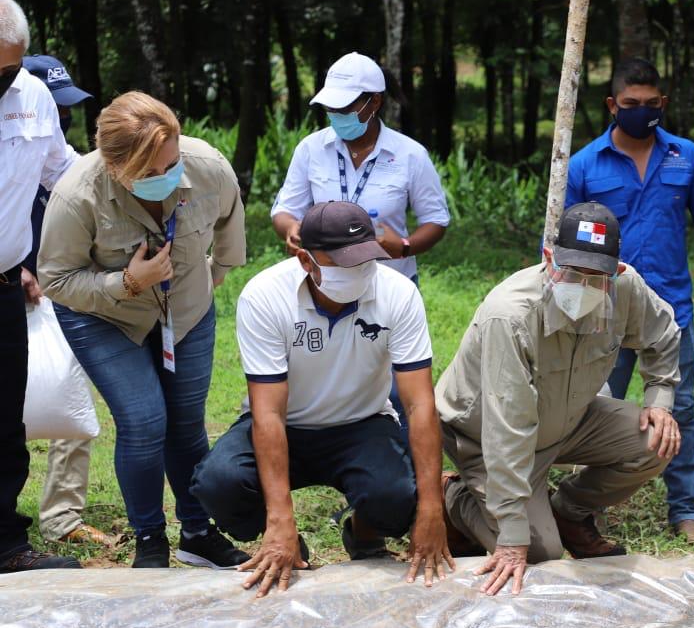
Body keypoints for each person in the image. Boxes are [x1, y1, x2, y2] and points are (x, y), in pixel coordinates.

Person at [190, 201, 451, 597]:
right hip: (285, 424)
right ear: (304, 259)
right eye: (341, 263)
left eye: (364, 260)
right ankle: (284, 539)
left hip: (362, 424)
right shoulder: (264, 296)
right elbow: (269, 413)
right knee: (218, 485)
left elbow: (419, 405)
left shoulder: (397, 294)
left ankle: (364, 534)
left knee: (399, 497)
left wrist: (432, 508)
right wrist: (280, 518)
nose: (357, 272)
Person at [39, 91, 248, 568]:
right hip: (106, 316)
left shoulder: (205, 164)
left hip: (187, 312)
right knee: (144, 420)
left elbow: (229, 222)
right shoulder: (78, 195)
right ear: (115, 168)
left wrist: (213, 274)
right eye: (149, 173)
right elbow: (55, 278)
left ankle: (198, 533)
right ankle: (150, 540)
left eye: (171, 164)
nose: (166, 177)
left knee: (187, 423)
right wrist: (130, 281)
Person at [437, 202, 682, 595]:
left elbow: (663, 335)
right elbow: (507, 426)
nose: (581, 284)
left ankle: (568, 511)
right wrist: (513, 535)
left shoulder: (626, 288)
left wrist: (659, 398)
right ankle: (455, 494)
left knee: (656, 440)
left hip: (570, 419)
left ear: (615, 274)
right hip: (484, 436)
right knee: (536, 552)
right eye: (571, 271)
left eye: (595, 276)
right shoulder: (511, 316)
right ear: (550, 258)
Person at [566, 58, 694, 543]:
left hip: (670, 310)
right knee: (592, 407)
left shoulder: (686, 157)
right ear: (613, 105)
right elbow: (561, 241)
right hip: (601, 313)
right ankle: (588, 507)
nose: (641, 112)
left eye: (650, 104)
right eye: (630, 104)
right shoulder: (584, 165)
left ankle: (685, 512)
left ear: (663, 103)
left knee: (678, 410)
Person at [271, 52, 451, 439]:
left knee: (400, 387)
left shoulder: (409, 155)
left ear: (374, 102)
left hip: (386, 285)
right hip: (322, 286)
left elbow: (436, 220)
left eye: (345, 106)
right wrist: (291, 230)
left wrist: (403, 245)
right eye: (330, 107)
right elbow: (284, 210)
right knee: (321, 375)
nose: (336, 115)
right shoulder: (311, 150)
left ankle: (409, 475)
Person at [0, 0, 81, 572]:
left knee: (6, 421)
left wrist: (129, 174)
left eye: (7, 70)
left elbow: (62, 170)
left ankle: (5, 543)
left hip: (5, 285)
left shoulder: (32, 98)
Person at [20, 53, 112, 547]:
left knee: (70, 403)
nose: (62, 118)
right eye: (53, 107)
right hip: (10, 292)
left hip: (64, 296)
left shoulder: (68, 165)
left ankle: (61, 515)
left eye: (67, 108)